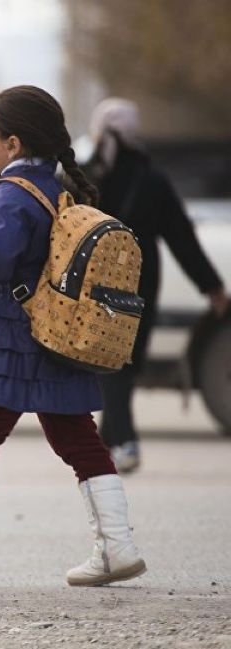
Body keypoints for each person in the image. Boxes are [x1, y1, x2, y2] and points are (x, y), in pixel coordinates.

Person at [0, 85, 146, 587]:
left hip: (14, 336)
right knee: (77, 438)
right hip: (54, 332)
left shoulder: (8, 191)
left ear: (13, 144)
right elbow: (16, 247)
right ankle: (118, 547)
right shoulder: (48, 185)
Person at [83, 98, 229, 473]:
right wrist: (211, 287)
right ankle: (109, 443)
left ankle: (123, 441)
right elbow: (182, 238)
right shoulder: (152, 178)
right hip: (142, 282)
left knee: (109, 363)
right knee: (124, 364)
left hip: (97, 282)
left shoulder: (89, 176)